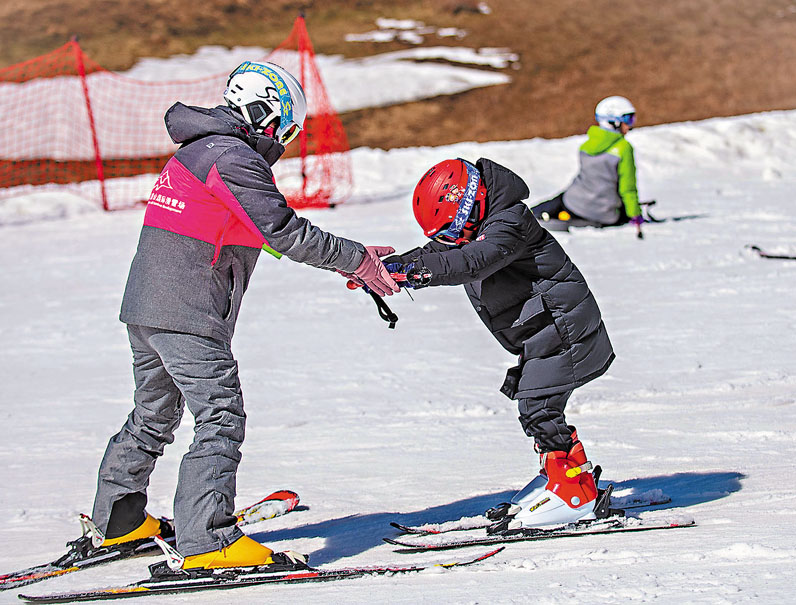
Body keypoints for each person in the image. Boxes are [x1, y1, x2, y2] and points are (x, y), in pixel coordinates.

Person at [86, 61, 399, 571]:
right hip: (188, 313)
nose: (284, 142)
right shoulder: (232, 157)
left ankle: (119, 520)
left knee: (153, 414)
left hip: (148, 308)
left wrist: (350, 261)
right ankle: (208, 541)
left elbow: (260, 234)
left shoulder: (200, 149)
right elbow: (284, 232)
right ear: (267, 116)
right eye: (286, 131)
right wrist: (358, 258)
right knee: (220, 417)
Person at [378, 158, 615, 530]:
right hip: (547, 331)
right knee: (539, 407)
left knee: (538, 406)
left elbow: (472, 261)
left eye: (453, 230)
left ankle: (574, 494)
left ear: (472, 204)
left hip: (564, 327)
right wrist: (387, 269)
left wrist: (415, 273)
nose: (451, 240)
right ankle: (566, 476)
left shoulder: (509, 222)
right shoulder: (477, 225)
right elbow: (440, 253)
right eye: (446, 235)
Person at [532, 95, 643, 232]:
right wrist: (635, 214)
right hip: (606, 214)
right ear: (613, 122)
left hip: (573, 203)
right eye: (628, 119)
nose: (631, 125)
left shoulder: (586, 145)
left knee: (560, 199)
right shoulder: (624, 148)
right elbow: (628, 187)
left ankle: (527, 215)